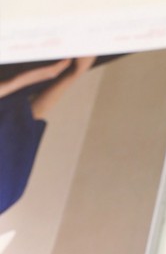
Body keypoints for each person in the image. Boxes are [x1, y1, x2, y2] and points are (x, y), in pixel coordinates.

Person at [0, 57, 96, 215]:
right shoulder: (7, 196)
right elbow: (31, 118)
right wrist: (76, 73)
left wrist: (22, 80)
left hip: (16, 75)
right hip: (31, 79)